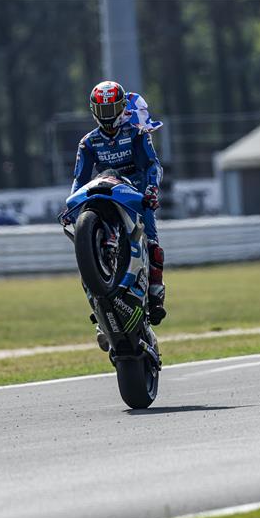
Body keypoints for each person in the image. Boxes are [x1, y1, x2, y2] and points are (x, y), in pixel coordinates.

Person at [69, 81, 166, 350]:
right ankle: (100, 308)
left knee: (153, 239)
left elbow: (151, 165)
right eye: (103, 108)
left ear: (122, 107)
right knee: (78, 246)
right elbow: (79, 180)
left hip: (134, 193)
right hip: (103, 190)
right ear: (94, 111)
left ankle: (156, 291)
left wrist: (151, 190)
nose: (108, 114)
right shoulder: (88, 143)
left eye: (112, 107)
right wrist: (72, 208)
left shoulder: (136, 133)